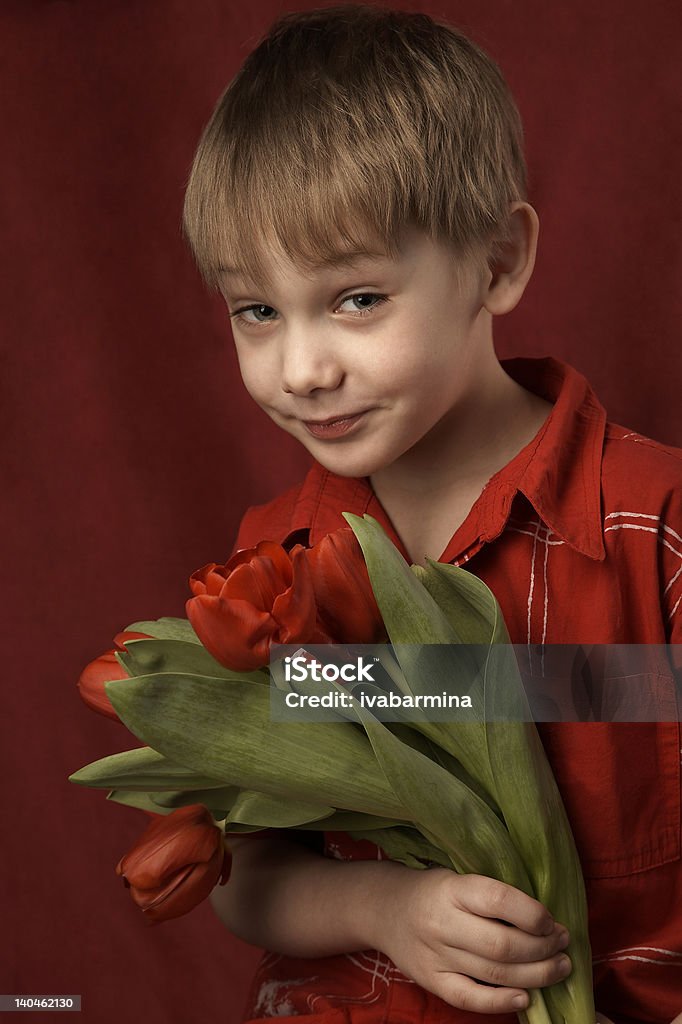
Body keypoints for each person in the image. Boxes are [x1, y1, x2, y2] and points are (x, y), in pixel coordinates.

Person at [181, 5, 682, 1023]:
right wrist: (384, 904)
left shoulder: (655, 525)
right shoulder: (266, 571)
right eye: (256, 310)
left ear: (497, 263)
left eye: (356, 298)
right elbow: (239, 869)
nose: (302, 368)